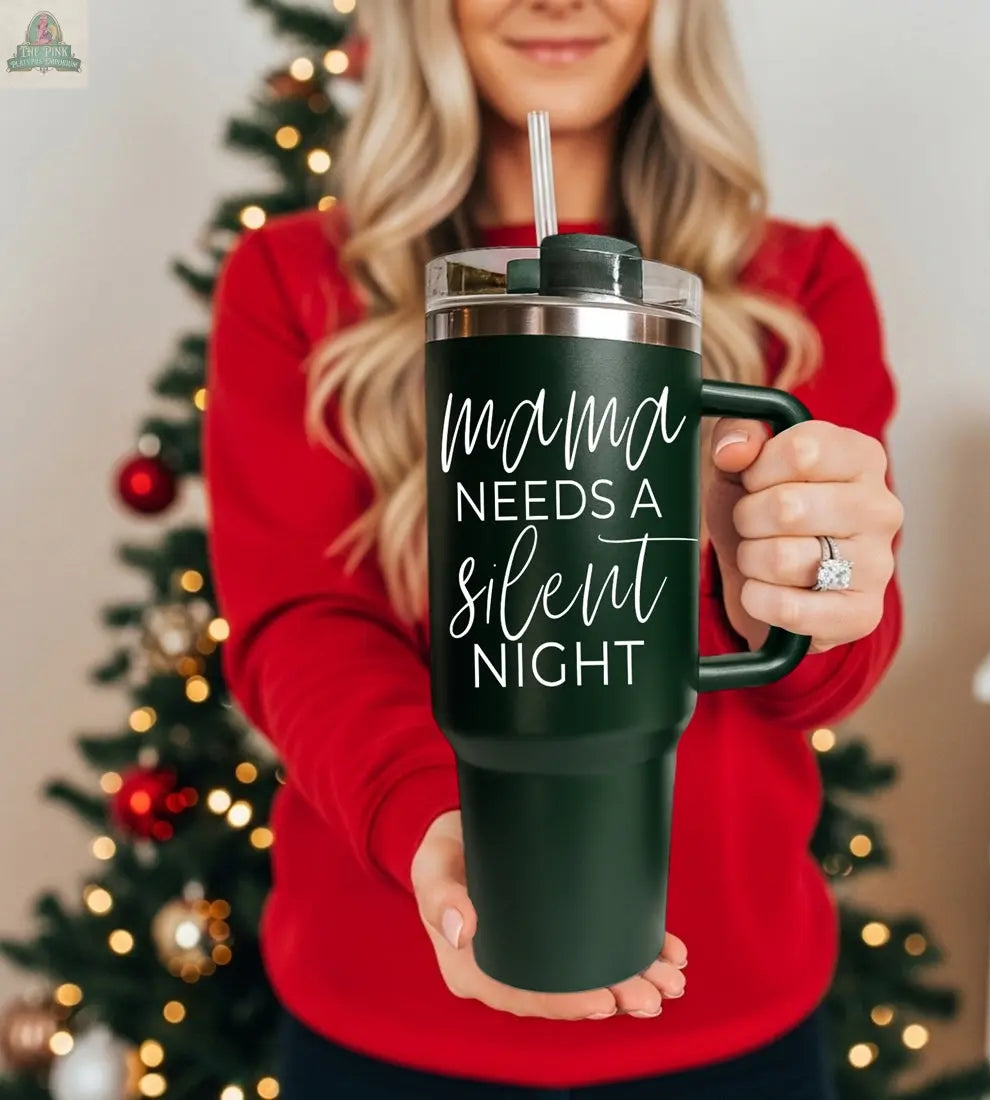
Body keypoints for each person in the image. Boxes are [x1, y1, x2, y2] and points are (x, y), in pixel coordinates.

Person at [203, 1, 904, 1096]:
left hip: (726, 1024)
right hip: (389, 1016)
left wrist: (784, 583)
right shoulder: (295, 280)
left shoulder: (798, 286)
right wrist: (441, 832)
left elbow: (837, 648)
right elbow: (299, 628)